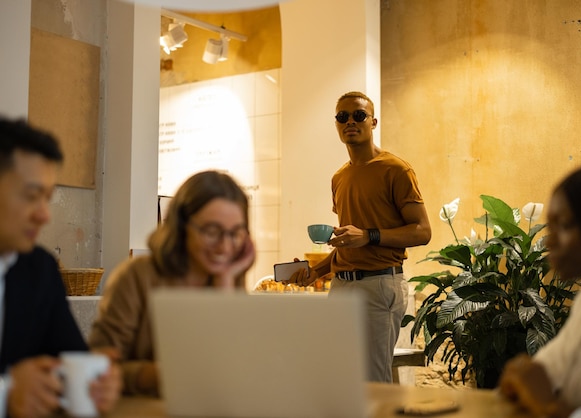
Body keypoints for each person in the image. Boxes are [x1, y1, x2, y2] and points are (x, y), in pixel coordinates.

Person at [291, 91, 432, 382]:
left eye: (358, 115)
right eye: (342, 117)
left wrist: (369, 235)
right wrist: (313, 272)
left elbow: (422, 231)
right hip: (342, 286)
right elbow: (349, 246)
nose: (350, 122)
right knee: (340, 379)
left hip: (379, 284)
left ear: (373, 122)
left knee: (372, 382)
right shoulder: (339, 177)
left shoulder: (396, 169)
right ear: (336, 124)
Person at [89, 170, 256, 396]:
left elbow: (237, 368)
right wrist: (159, 374)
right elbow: (97, 367)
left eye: (235, 233)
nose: (225, 248)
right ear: (181, 227)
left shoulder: (227, 278)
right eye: (211, 231)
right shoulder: (137, 276)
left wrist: (226, 285)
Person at [0, 117, 121, 418]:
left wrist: (98, 383)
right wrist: (6, 395)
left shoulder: (39, 269)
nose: (44, 215)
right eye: (31, 196)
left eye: (47, 198)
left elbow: (71, 359)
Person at [499, 158, 581, 418]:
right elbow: (547, 369)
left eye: (565, 225)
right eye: (550, 225)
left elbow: (543, 394)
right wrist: (524, 375)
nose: (550, 241)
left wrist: (550, 407)